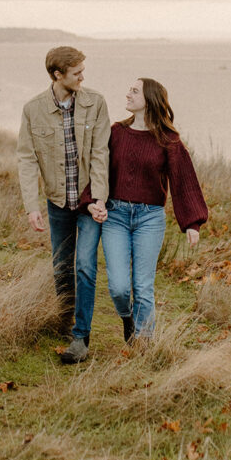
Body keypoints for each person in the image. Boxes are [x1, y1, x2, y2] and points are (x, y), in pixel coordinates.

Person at [91, 77, 208, 343]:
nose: (128, 93)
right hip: (116, 216)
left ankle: (145, 346)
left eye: (134, 90)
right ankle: (127, 318)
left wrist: (192, 222)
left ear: (150, 99)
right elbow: (98, 169)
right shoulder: (117, 132)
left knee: (143, 287)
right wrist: (93, 201)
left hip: (149, 218)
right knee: (119, 288)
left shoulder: (168, 139)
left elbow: (183, 180)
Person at [17, 46, 110, 364]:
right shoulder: (33, 110)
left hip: (87, 203)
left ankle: (80, 337)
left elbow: (100, 153)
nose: (83, 77)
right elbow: (26, 160)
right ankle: (64, 321)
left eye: (83, 70)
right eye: (77, 73)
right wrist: (32, 206)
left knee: (85, 266)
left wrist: (98, 199)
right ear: (58, 75)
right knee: (61, 268)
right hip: (56, 203)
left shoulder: (95, 103)